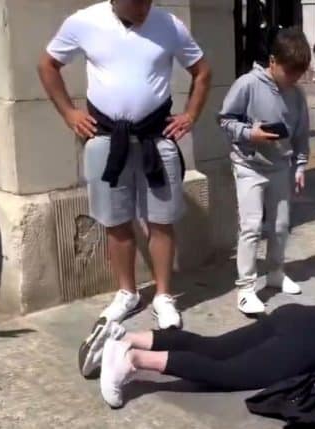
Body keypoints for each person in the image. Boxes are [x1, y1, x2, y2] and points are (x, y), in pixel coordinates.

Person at [38, 1, 211, 337]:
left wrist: (190, 114)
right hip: (105, 139)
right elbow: (47, 65)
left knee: (161, 220)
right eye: (136, 1)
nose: (144, 7)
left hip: (155, 137)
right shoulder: (85, 22)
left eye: (148, 0)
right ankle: (127, 293)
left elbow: (202, 71)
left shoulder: (169, 25)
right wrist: (69, 113)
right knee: (115, 220)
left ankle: (163, 295)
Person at [80, 269, 315, 408]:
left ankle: (126, 338)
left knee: (215, 346)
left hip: (299, 316)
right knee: (232, 372)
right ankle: (133, 361)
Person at [218, 27, 311, 314]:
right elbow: (225, 120)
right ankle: (246, 288)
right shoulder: (247, 84)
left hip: (281, 166)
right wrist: (250, 134)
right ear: (273, 61)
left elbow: (301, 133)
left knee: (281, 225)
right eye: (289, 71)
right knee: (251, 226)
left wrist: (300, 165)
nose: (293, 78)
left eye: (298, 73)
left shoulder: (296, 94)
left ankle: (275, 272)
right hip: (248, 165)